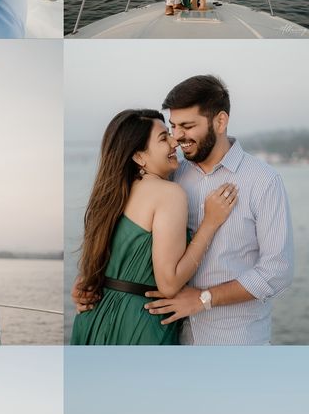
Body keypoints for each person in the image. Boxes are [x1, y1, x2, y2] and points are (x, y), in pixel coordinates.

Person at [145, 75, 294, 345]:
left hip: (239, 345)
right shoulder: (171, 175)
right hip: (172, 342)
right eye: (174, 126)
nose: (177, 137)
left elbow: (277, 271)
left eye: (188, 126)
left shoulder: (263, 181)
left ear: (220, 121)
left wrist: (204, 299)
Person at [69, 108, 237, 344]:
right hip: (138, 323)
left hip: (93, 317)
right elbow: (169, 284)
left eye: (170, 133)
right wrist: (210, 222)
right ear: (139, 156)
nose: (174, 141)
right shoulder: (168, 193)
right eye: (163, 138)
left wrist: (80, 286)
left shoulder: (110, 197)